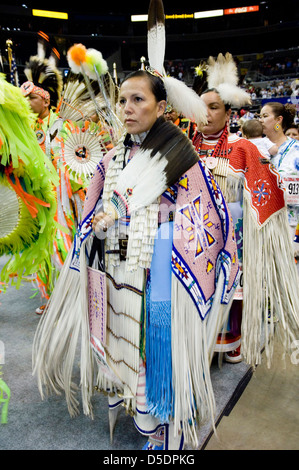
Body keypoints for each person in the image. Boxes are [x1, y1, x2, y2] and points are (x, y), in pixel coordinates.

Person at [32, 68, 240, 451]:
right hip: (116, 272)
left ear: (161, 106)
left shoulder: (184, 160)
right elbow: (90, 214)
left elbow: (206, 222)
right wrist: (95, 225)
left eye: (138, 100)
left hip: (161, 279)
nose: (127, 108)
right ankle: (139, 410)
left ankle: (166, 425)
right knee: (123, 345)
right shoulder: (110, 159)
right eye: (123, 100)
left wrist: (164, 232)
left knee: (158, 351)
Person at [192, 53, 299, 367]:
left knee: (229, 288)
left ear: (228, 112)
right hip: (190, 235)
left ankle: (228, 341)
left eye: (214, 107)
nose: (206, 114)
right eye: (202, 106)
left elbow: (268, 191)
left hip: (229, 237)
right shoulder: (182, 147)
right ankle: (197, 338)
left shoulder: (243, 149)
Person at [259, 101, 299, 262]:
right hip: (262, 226)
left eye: (265, 116)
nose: (260, 120)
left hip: (291, 225)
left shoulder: (296, 149)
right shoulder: (255, 149)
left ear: (278, 120)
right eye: (259, 116)